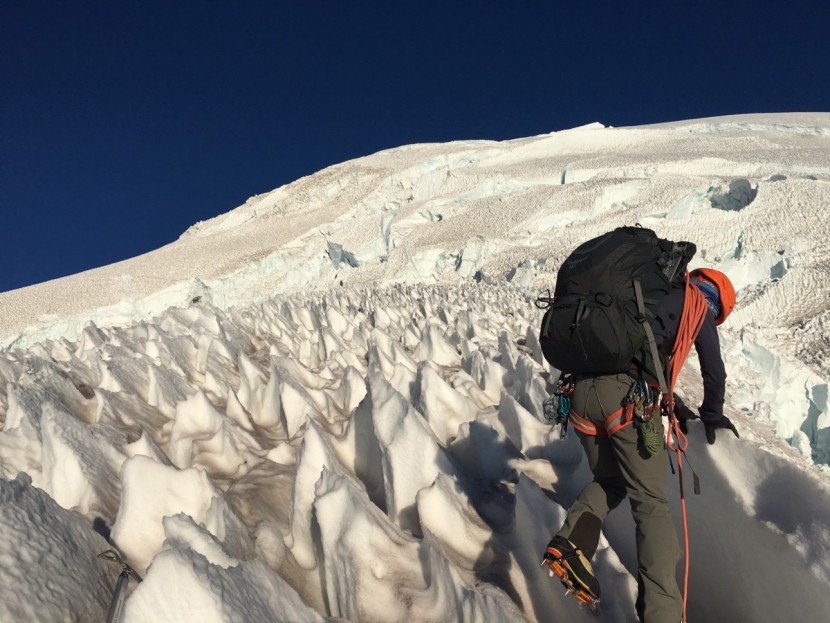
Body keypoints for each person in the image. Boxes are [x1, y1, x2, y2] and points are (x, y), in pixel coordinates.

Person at [542, 266, 738, 622]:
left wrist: (675, 403)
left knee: (611, 480)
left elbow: (647, 355)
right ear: (718, 301)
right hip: (625, 400)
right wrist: (712, 414)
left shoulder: (647, 295)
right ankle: (662, 613)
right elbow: (714, 369)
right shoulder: (698, 303)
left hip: (582, 394)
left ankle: (571, 544)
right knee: (651, 504)